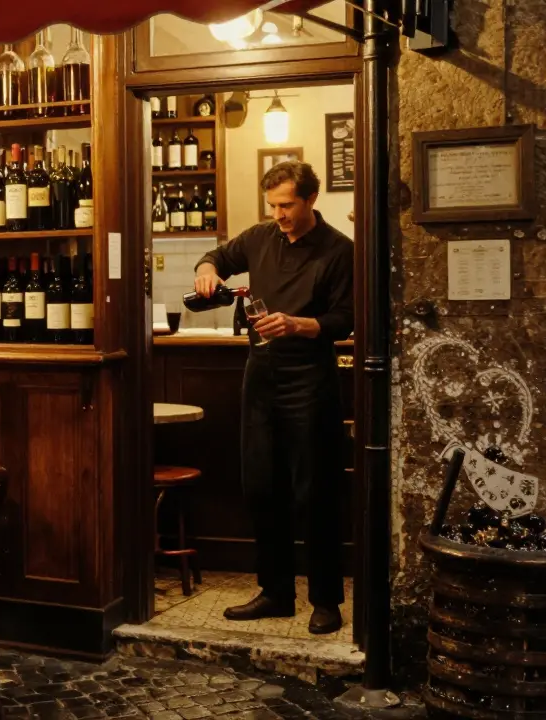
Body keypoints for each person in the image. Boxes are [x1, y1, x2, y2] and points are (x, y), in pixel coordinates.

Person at [193, 161, 353, 635]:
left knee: (315, 492)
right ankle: (276, 592)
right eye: (273, 206)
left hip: (310, 379)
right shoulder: (260, 237)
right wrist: (206, 271)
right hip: (261, 376)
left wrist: (297, 325)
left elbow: (347, 318)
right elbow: (217, 257)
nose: (279, 214)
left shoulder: (339, 251)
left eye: (287, 205)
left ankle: (326, 600)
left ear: (310, 200)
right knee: (262, 488)